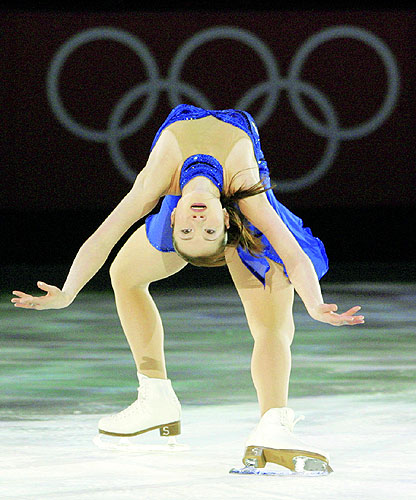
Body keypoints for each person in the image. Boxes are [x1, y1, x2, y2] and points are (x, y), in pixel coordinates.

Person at [11, 104, 364, 473]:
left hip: (219, 212)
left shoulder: (157, 182)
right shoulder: (244, 190)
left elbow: (104, 235)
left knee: (267, 325)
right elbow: (292, 254)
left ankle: (272, 426)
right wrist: (314, 304)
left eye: (188, 230)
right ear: (223, 219)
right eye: (208, 231)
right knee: (127, 276)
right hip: (244, 213)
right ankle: (157, 399)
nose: (197, 221)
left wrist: (68, 292)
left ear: (174, 217)